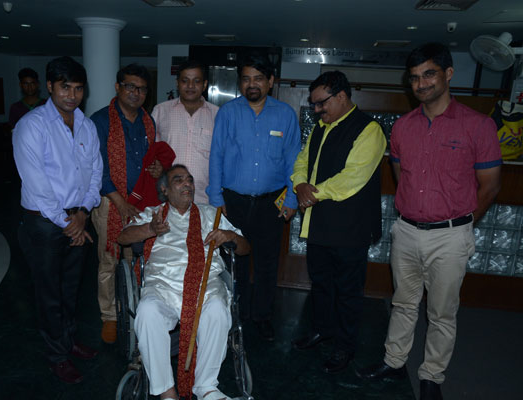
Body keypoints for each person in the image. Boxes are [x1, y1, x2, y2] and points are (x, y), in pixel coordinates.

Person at [357, 43, 502, 400]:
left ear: (448, 74)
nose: (421, 84)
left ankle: (432, 376)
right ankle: (394, 362)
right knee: (403, 304)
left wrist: (463, 225)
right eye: (414, 78)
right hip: (406, 231)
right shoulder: (402, 127)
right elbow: (400, 176)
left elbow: (490, 186)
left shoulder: (478, 126)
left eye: (429, 74)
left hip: (450, 236)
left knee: (441, 313)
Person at [118, 165, 250, 400]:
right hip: (163, 285)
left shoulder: (211, 214)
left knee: (218, 309)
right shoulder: (154, 213)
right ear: (165, 189)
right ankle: (166, 392)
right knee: (147, 312)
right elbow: (123, 237)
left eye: (189, 179)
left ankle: (207, 387)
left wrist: (229, 236)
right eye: (178, 180)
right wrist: (150, 229)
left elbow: (245, 248)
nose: (187, 183)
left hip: (205, 285)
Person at [13, 56, 102, 384]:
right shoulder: (32, 125)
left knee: (70, 288)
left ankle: (68, 340)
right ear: (50, 86)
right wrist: (68, 223)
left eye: (78, 88)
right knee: (49, 292)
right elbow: (37, 183)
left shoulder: (86, 126)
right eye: (65, 87)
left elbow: (95, 173)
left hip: (78, 217)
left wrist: (82, 213)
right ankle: (57, 355)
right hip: (45, 224)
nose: (72, 95)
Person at [290, 71, 386, 372]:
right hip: (319, 224)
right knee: (321, 284)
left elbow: (353, 177)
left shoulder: (369, 129)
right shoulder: (321, 127)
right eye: (314, 104)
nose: (317, 110)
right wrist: (300, 184)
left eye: (322, 103)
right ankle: (323, 330)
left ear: (342, 96)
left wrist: (312, 193)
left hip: (350, 228)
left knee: (348, 291)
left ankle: (345, 346)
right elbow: (302, 160)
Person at [207, 54, 301, 341]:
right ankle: (234, 314)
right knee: (233, 262)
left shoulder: (285, 115)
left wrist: (292, 200)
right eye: (246, 79)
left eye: (258, 79)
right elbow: (216, 155)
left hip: (270, 204)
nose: (252, 84)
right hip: (233, 202)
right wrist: (216, 197)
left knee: (266, 263)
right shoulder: (228, 113)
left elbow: (294, 160)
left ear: (270, 81)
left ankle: (261, 317)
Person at [90, 63, 162, 345]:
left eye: (142, 89)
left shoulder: (148, 121)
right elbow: (96, 168)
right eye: (130, 86)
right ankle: (109, 315)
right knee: (109, 259)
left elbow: (150, 159)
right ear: (118, 87)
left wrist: (156, 169)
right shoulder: (101, 121)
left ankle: (134, 310)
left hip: (141, 201)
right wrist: (119, 202)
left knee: (136, 258)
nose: (136, 93)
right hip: (110, 202)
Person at [152, 60, 219, 204]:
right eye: (185, 81)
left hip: (204, 199)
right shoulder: (161, 111)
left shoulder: (217, 115)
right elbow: (151, 151)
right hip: (168, 198)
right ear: (177, 83)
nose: (190, 86)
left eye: (196, 81)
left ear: (204, 84)